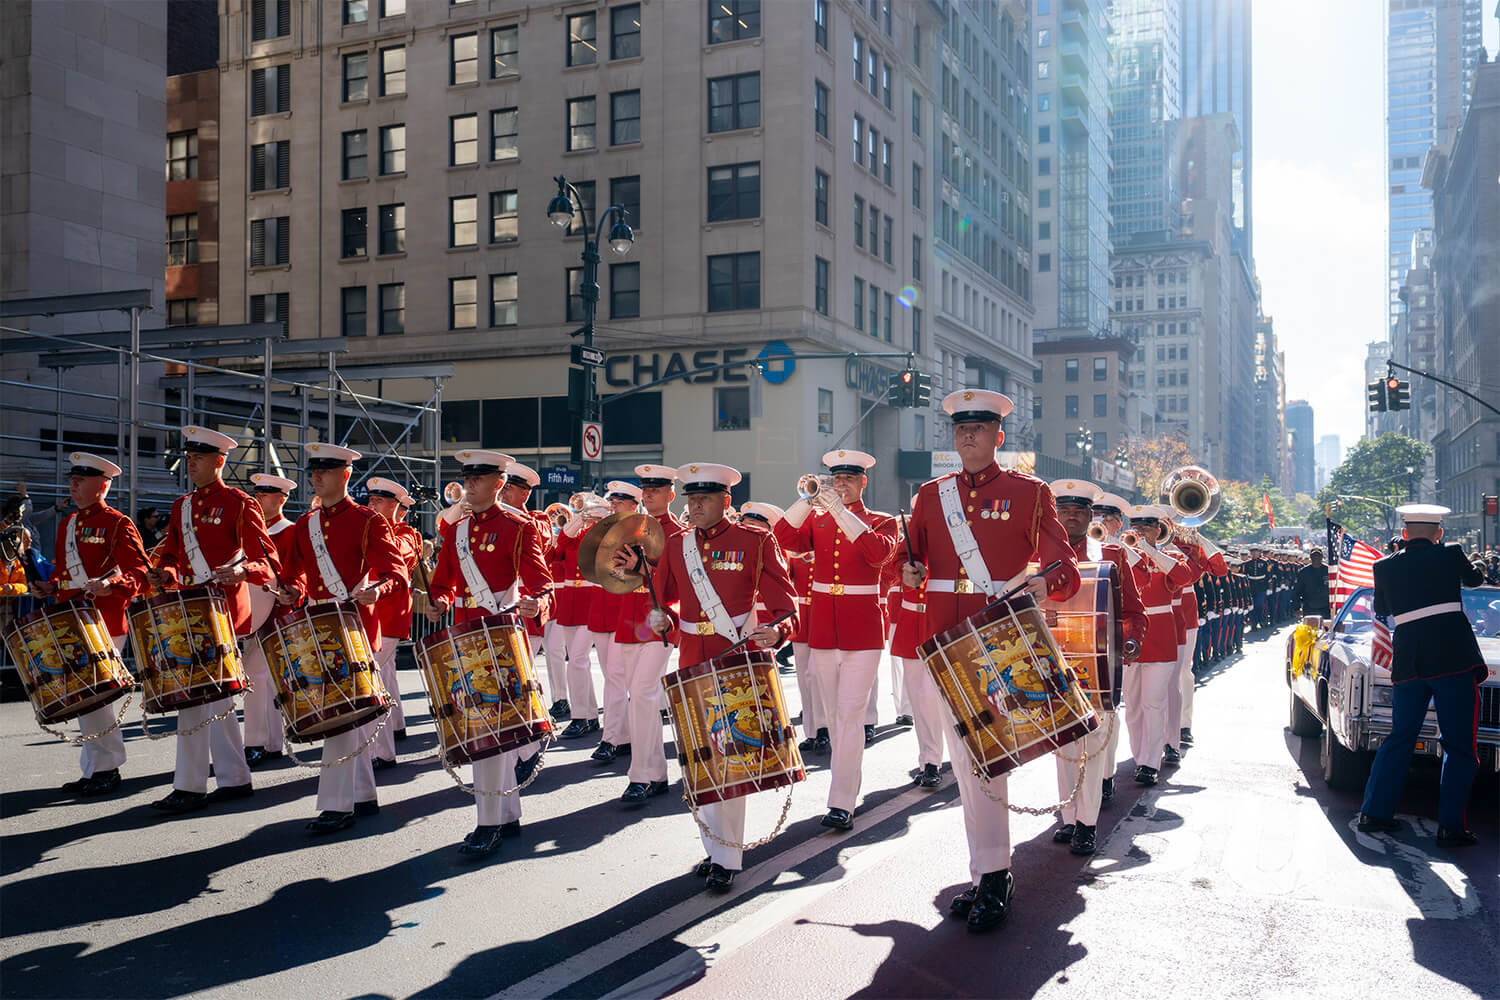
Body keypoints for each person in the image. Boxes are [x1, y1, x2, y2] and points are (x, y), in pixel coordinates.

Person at [901, 389, 1081, 933]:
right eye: (960, 430)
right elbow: (907, 556)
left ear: (999, 436)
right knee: (963, 763)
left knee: (988, 759)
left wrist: (1036, 584)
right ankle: (982, 871)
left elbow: (1064, 570)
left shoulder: (1028, 493)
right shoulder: (932, 496)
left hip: (995, 644)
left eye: (978, 430)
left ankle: (996, 875)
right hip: (942, 643)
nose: (968, 438)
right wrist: (905, 573)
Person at [625, 462, 797, 892]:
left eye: (704, 499)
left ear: (727, 501)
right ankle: (713, 847)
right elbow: (662, 599)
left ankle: (727, 856)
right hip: (690, 661)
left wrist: (778, 631)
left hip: (734, 659)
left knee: (730, 755)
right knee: (698, 757)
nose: (696, 506)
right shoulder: (679, 544)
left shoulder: (755, 540)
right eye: (692, 499)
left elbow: (787, 606)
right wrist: (661, 619)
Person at [274, 443, 408, 834]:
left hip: (353, 626)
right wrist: (291, 592)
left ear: (345, 475)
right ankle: (363, 794)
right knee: (349, 718)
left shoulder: (368, 521)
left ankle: (336, 804)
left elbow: (395, 573)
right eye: (314, 470)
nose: (316, 476)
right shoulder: (306, 525)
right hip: (317, 625)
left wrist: (377, 590)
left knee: (341, 715)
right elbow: (295, 574)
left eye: (326, 470)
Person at [146, 426, 280, 813]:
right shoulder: (182, 506)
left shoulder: (240, 503)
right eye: (188, 458)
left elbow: (267, 559)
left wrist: (243, 572)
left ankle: (194, 785)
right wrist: (163, 574)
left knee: (209, 698)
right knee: (200, 699)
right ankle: (231, 779)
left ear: (219, 461)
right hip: (186, 610)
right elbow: (171, 556)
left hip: (221, 612)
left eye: (199, 458)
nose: (190, 463)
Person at [426, 449, 552, 859]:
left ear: (498, 483)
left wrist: (538, 604)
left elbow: (540, 583)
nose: (471, 485)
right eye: (468, 478)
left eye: (479, 479)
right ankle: (507, 814)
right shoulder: (457, 530)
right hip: (464, 636)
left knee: (490, 728)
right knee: (485, 723)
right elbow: (443, 579)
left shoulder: (519, 526)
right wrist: (439, 600)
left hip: (500, 635)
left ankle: (489, 821)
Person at [775, 450, 899, 833]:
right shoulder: (818, 519)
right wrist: (806, 499)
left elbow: (878, 555)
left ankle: (841, 800)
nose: (839, 485)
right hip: (825, 629)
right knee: (833, 716)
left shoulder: (883, 522)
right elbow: (782, 537)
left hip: (862, 630)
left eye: (848, 479)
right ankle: (842, 795)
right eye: (834, 479)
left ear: (864, 482)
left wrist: (841, 513)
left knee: (849, 716)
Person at [1358, 504, 1485, 848]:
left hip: (1409, 663)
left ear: (1403, 533)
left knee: (1400, 738)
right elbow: (1476, 580)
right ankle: (1451, 827)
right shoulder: (1452, 554)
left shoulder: (1383, 565)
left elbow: (1382, 609)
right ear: (1439, 533)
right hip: (1452, 660)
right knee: (1459, 746)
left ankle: (1374, 812)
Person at [32, 453, 150, 797]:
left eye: (80, 481)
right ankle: (93, 768)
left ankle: (108, 767)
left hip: (105, 620)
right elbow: (63, 572)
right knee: (86, 698)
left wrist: (112, 585)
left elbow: (139, 573)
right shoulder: (69, 523)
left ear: (102, 485)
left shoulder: (118, 523)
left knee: (97, 698)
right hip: (72, 617)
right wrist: (51, 586)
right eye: (72, 480)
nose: (73, 485)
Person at [1046, 480, 1147, 855]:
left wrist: (1129, 642)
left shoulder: (1111, 555)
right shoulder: (1037, 554)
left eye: (1079, 511)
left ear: (1090, 516)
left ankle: (1086, 823)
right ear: (1055, 514)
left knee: (1090, 744)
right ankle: (1068, 817)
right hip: (1052, 660)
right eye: (1065, 510)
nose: (1071, 516)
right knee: (1063, 743)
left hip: (1096, 663)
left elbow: (1134, 612)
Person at [616, 465, 687, 804]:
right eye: (645, 489)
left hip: (662, 620)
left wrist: (642, 569)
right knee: (638, 697)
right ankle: (657, 773)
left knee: (643, 694)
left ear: (670, 495)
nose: (648, 495)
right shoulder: (631, 527)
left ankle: (640, 776)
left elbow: (676, 584)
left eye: (656, 490)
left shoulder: (679, 533)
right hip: (630, 620)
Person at [1121, 505, 1196, 787]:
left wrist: (1151, 551)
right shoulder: (1122, 554)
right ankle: (1138, 754)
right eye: (1136, 527)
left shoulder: (1170, 556)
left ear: (1158, 529)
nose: (1139, 531)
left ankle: (1149, 763)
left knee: (1154, 702)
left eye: (1146, 527)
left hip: (1161, 635)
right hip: (1129, 636)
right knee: (1133, 705)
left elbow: (1184, 577)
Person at [364, 478, 423, 770]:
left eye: (379, 501)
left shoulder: (407, 534)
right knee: (384, 674)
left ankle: (382, 752)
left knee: (374, 677)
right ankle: (396, 726)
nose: (371, 505)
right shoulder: (367, 529)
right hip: (367, 609)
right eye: (370, 500)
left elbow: (398, 556)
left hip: (389, 613)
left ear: (395, 506)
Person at [242, 472, 298, 767]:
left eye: (266, 495)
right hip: (253, 612)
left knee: (257, 676)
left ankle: (255, 742)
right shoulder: (250, 531)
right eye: (257, 494)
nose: (259, 499)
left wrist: (291, 592)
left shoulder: (288, 532)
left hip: (277, 612)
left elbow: (295, 572)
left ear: (282, 499)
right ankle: (272, 742)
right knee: (268, 680)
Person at [589, 481, 644, 763]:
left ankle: (611, 738)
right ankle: (623, 736)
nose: (613, 506)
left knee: (619, 679)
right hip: (603, 611)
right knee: (614, 678)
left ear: (634, 505)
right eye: (613, 502)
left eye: (620, 503)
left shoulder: (641, 535)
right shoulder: (602, 531)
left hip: (627, 612)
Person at [1292, 548, 1331, 620]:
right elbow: (1297, 591)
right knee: (1309, 629)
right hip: (1309, 607)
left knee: (1326, 629)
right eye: (1314, 556)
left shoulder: (1329, 570)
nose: (1316, 558)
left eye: (1318, 556)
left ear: (1322, 557)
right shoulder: (1303, 572)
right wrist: (1297, 608)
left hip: (1326, 607)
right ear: (1310, 557)